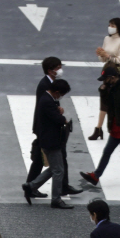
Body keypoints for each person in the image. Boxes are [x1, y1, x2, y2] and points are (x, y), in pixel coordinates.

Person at [24, 78, 75, 208]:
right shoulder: (47, 101)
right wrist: (62, 117)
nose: (61, 97)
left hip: (48, 139)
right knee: (59, 171)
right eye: (61, 94)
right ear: (57, 91)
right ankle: (56, 199)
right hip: (51, 141)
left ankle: (31, 186)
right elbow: (57, 119)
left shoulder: (47, 99)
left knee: (55, 168)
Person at [23, 56, 63, 187]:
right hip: (44, 127)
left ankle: (31, 185)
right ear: (50, 70)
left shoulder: (49, 82)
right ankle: (31, 185)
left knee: (41, 159)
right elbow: (45, 107)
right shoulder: (45, 85)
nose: (60, 70)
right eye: (58, 68)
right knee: (42, 159)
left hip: (43, 126)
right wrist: (57, 113)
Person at [92, 18, 120, 129]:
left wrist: (108, 56)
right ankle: (99, 127)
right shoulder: (107, 39)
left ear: (118, 27)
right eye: (109, 25)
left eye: (113, 25)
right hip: (107, 72)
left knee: (118, 100)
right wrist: (101, 54)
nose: (110, 27)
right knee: (104, 99)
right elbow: (103, 60)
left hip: (117, 74)